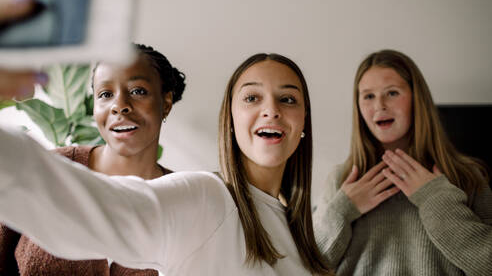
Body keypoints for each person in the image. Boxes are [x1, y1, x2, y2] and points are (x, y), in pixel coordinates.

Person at [0, 53, 333, 275]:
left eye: (287, 99)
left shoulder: (299, 240)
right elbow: (81, 211)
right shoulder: (206, 198)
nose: (271, 110)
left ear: (304, 121)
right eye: (251, 98)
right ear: (229, 120)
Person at [0, 43, 186, 275]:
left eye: (138, 91)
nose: (119, 106)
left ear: (166, 103)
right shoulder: (49, 169)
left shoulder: (186, 200)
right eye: (105, 94)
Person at [313, 49, 492, 276]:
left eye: (392, 93)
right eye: (368, 96)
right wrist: (342, 212)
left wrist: (435, 200)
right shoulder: (341, 179)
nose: (380, 105)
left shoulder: (465, 176)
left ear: (417, 99)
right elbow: (305, 267)